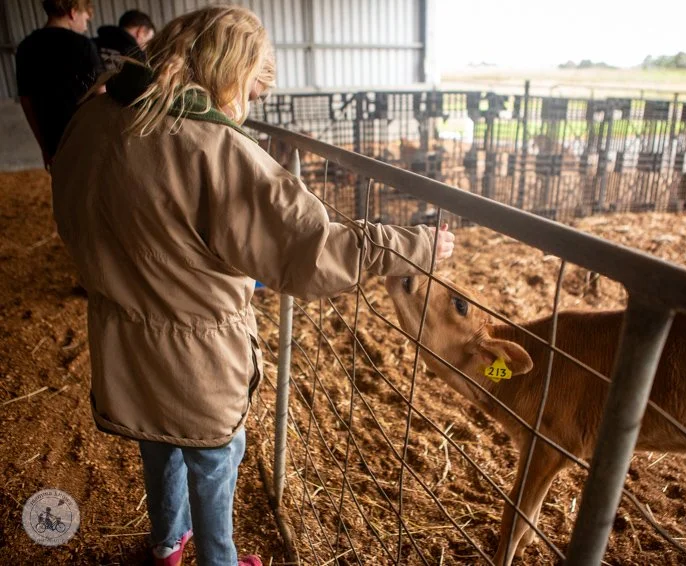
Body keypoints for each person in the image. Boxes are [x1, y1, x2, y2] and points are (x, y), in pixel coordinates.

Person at [50, 5, 454, 566]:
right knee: (215, 459)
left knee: (156, 439)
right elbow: (312, 251)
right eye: (251, 88)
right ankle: (219, 560)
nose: (248, 105)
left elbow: (83, 215)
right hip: (197, 354)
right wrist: (418, 246)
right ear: (228, 72)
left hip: (124, 337)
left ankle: (168, 544)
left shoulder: (93, 117)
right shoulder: (213, 150)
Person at [15, 0, 104, 169]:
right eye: (85, 20)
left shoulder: (26, 47)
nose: (86, 27)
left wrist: (44, 148)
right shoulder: (83, 45)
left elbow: (26, 100)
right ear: (72, 12)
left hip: (54, 142)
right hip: (87, 137)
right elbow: (101, 94)